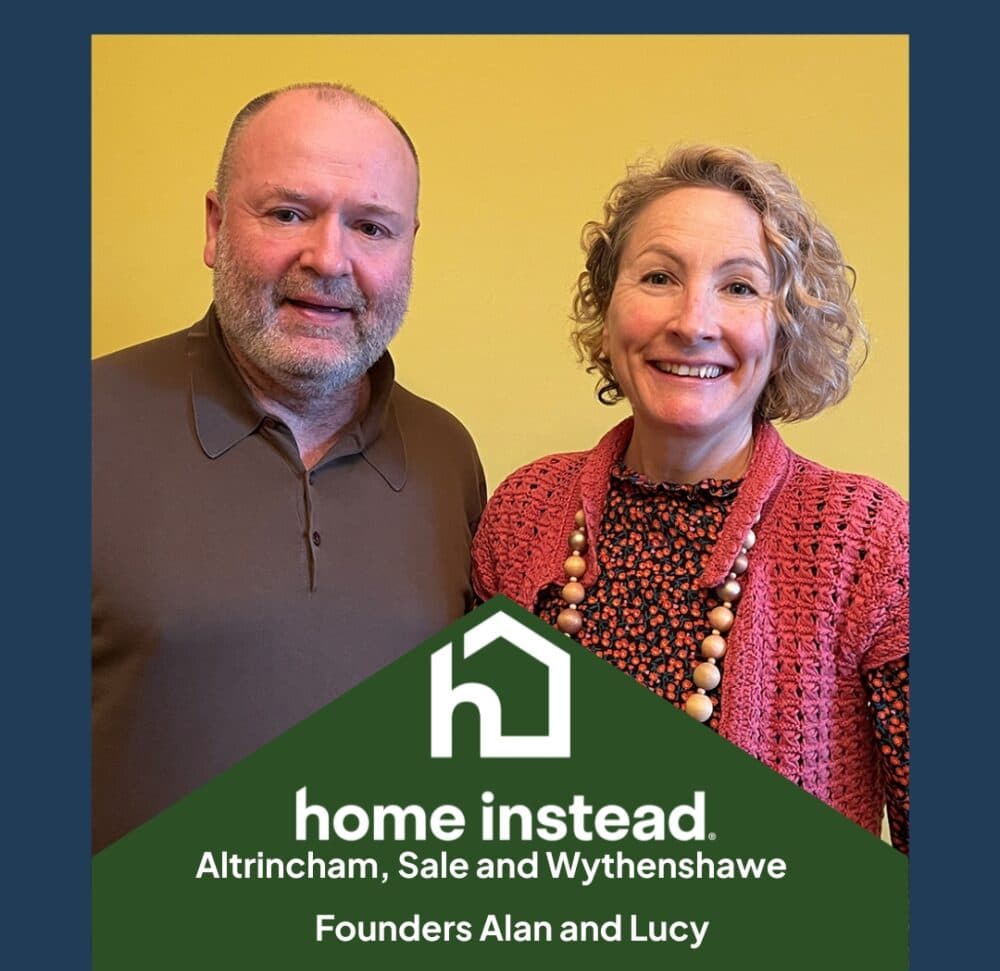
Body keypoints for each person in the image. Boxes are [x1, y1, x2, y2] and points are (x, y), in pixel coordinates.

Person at [472, 145, 908, 851]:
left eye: (739, 287)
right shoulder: (523, 514)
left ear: (784, 325)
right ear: (607, 312)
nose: (693, 321)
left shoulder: (867, 540)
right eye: (658, 277)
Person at [92, 83, 486, 853]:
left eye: (372, 226)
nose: (328, 258)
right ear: (214, 226)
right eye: (288, 213)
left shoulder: (448, 456)